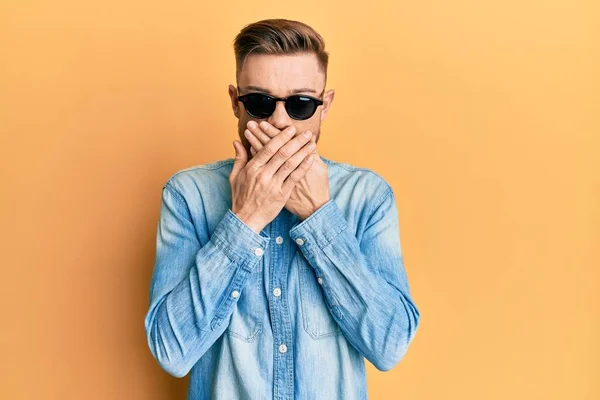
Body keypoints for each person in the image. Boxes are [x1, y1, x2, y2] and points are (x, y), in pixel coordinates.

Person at [144, 18, 420, 400]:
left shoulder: (366, 196)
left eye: (301, 104)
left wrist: (320, 218)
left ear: (325, 106)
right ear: (234, 102)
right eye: (259, 102)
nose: (279, 121)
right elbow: (171, 352)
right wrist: (244, 219)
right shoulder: (190, 195)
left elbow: (389, 345)